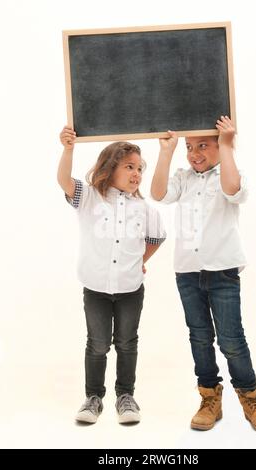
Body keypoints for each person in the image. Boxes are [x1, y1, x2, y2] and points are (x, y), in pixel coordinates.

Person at [150, 116, 256, 432]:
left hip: (223, 271)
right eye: (190, 147)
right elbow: (158, 193)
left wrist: (227, 146)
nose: (194, 153)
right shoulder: (183, 178)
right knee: (200, 336)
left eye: (202, 146)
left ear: (218, 147)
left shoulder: (228, 174)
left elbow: (233, 190)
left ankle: (250, 397)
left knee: (232, 339)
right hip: (188, 273)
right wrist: (167, 152)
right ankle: (209, 396)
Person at [57, 126, 166, 425]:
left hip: (131, 289)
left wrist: (139, 261)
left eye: (140, 169)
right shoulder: (89, 197)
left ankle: (125, 396)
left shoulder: (143, 208)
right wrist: (68, 149)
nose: (137, 174)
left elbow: (157, 238)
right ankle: (93, 397)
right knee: (98, 343)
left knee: (127, 342)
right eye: (129, 166)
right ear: (110, 166)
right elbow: (64, 181)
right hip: (96, 288)